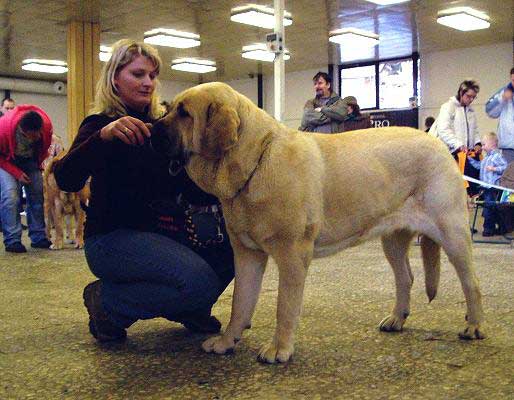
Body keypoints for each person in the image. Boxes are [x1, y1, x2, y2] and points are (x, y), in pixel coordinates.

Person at [53, 39, 234, 343]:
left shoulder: (165, 124)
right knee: (199, 282)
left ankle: (189, 306)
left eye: (152, 75)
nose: (148, 83)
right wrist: (103, 137)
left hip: (166, 234)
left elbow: (189, 186)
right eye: (138, 74)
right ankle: (109, 303)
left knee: (233, 246)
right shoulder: (99, 124)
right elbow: (67, 179)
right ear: (114, 78)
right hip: (111, 239)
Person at [0, 105, 53, 252]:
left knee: (37, 192)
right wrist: (16, 173)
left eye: (38, 134)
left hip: (30, 160)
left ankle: (38, 236)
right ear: (22, 131)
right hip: (6, 160)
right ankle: (12, 240)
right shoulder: (3, 129)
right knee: (10, 196)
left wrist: (39, 166)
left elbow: (44, 148)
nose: (36, 137)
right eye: (32, 135)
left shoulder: (46, 126)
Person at [467, 132, 508, 236]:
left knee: (489, 207)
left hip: (493, 188)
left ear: (492, 144)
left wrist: (495, 169)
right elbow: (478, 166)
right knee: (492, 208)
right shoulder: (486, 158)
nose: (483, 147)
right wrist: (469, 159)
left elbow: (505, 167)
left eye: (484, 144)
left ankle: (488, 229)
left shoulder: (497, 156)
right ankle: (502, 227)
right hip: (485, 188)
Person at [429, 79, 481, 156]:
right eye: (469, 96)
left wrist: (477, 143)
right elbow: (443, 130)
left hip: (467, 154)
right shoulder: (448, 107)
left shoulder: (471, 111)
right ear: (461, 93)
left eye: (474, 97)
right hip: (450, 153)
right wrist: (458, 145)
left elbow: (475, 130)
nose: (471, 100)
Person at [485, 67, 514, 164]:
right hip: (508, 148)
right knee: (509, 177)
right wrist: (502, 99)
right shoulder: (504, 92)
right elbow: (489, 111)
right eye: (513, 80)